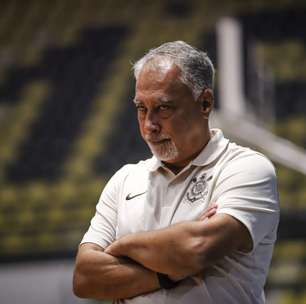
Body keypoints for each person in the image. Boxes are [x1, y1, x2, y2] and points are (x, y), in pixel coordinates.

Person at [73, 41, 279, 303]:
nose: (149, 126)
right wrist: (168, 273)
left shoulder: (246, 168)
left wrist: (123, 247)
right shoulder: (124, 180)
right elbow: (84, 278)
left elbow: (197, 249)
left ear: (204, 103)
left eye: (163, 108)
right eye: (141, 108)